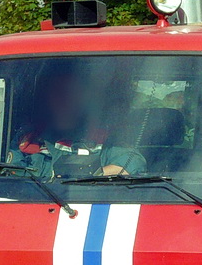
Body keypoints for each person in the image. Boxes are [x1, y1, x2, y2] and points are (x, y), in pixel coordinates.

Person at [10, 64, 146, 180]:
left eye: (73, 93)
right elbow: (6, 177)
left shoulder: (102, 139)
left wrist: (93, 174)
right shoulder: (29, 140)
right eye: (58, 93)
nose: (65, 101)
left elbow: (133, 163)